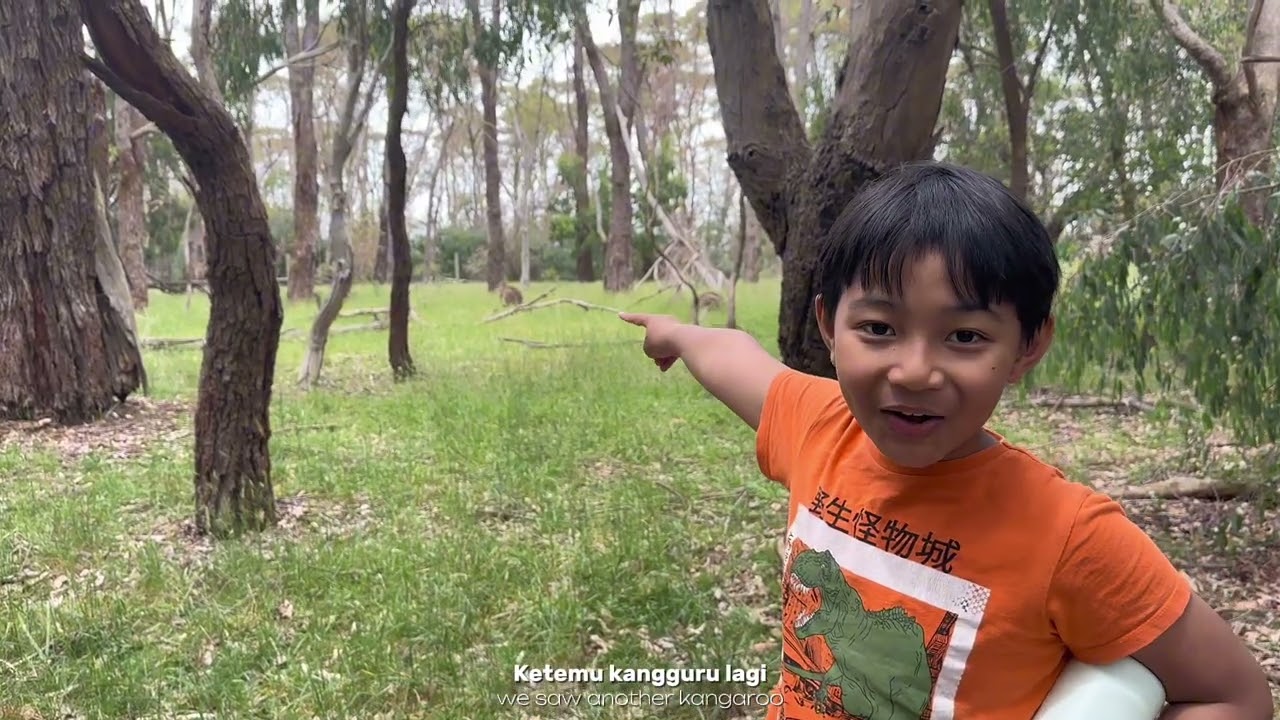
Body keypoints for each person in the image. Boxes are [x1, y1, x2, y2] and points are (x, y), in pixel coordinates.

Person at [619, 162, 1272, 719]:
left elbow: (1235, 697)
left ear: (1027, 347)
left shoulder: (1069, 535)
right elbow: (731, 354)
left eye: (964, 337)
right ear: (828, 325)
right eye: (879, 328)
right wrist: (676, 334)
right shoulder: (818, 424)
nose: (914, 372)